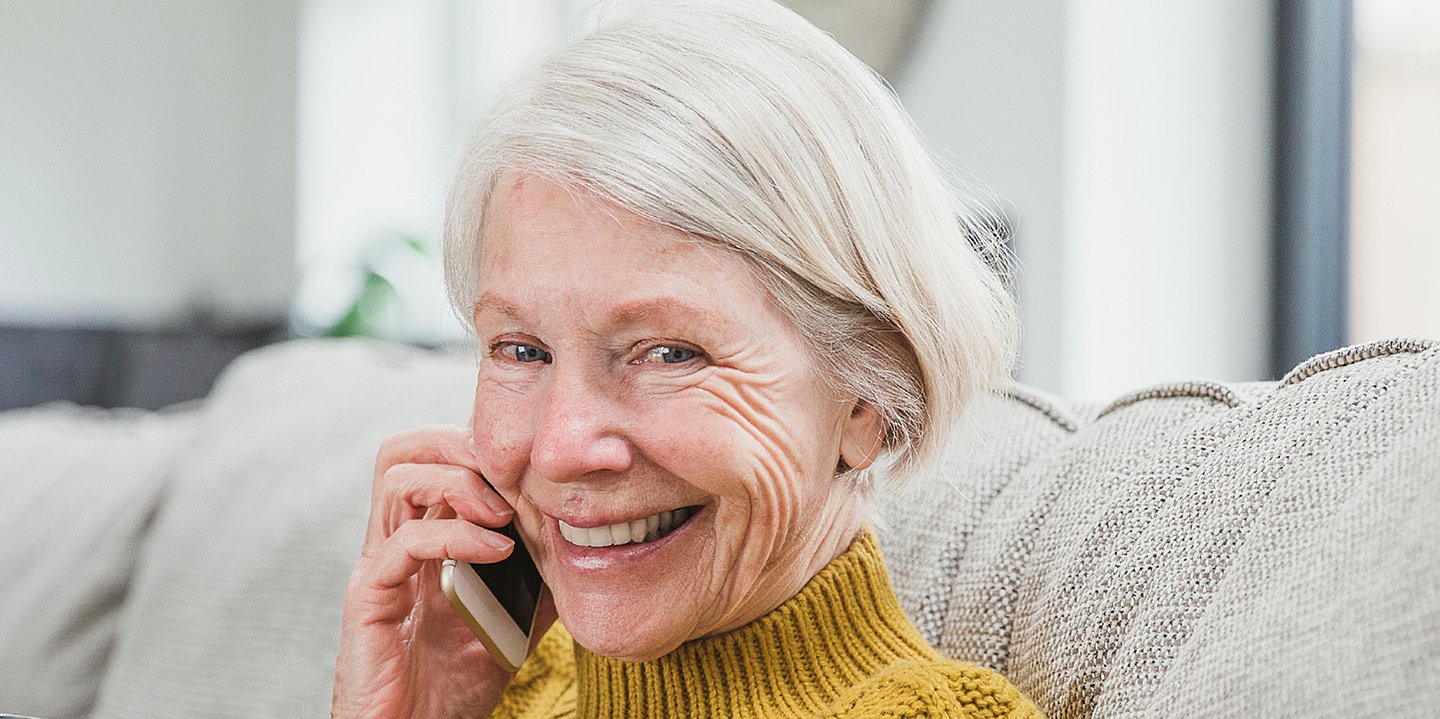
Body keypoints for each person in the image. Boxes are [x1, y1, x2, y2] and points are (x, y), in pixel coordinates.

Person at [332, 0, 1040, 716]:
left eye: (668, 353)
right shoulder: (496, 685)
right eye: (522, 350)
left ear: (867, 398)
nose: (559, 447)